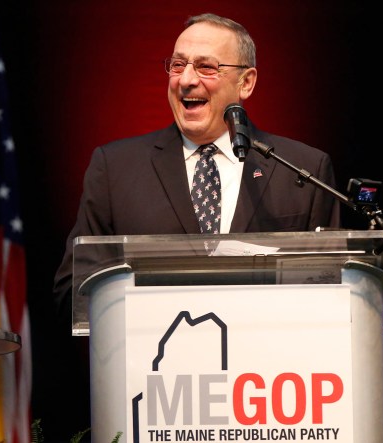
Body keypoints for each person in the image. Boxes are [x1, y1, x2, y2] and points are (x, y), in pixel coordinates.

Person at [53, 12, 340, 327]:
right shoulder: (115, 168)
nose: (186, 80)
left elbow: (331, 295)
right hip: (153, 365)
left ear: (246, 82)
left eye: (206, 67)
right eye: (177, 65)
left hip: (265, 371)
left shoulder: (302, 170)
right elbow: (72, 291)